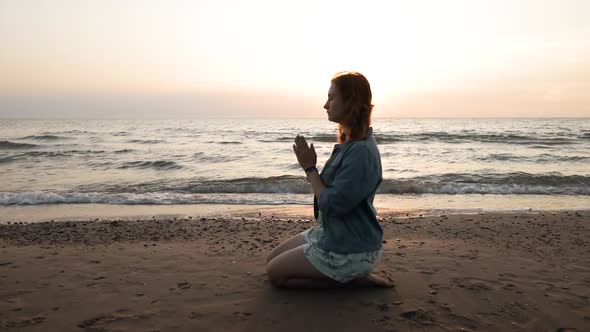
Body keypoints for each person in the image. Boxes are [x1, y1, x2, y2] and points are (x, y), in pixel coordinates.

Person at [265, 71, 393, 288]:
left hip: (350, 247)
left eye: (332, 98)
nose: (325, 105)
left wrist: (310, 169)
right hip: (331, 231)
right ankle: (349, 275)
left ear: (350, 102)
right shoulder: (349, 144)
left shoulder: (360, 153)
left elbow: (331, 204)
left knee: (275, 275)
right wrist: (311, 169)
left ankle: (352, 278)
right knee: (271, 259)